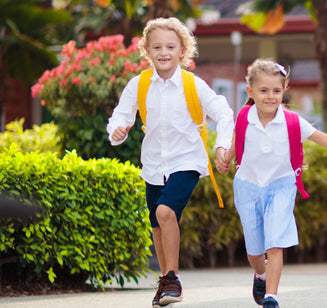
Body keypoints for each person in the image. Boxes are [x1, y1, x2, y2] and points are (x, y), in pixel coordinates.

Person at [216, 58, 327, 308]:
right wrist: (225, 158)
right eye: (264, 91)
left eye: (276, 91)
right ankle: (260, 273)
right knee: (255, 252)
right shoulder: (245, 116)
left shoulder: (292, 121)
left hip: (281, 186)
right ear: (251, 92)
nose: (270, 96)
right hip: (247, 187)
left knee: (275, 243)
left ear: (284, 91)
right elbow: (238, 144)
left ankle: (271, 296)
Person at [106, 17, 234, 308]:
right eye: (157, 47)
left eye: (171, 46)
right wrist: (118, 130)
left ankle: (173, 278)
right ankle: (165, 281)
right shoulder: (139, 84)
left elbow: (224, 113)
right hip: (153, 165)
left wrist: (222, 146)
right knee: (157, 225)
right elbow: (121, 115)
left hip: (187, 161)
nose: (164, 52)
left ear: (182, 51)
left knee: (165, 212)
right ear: (147, 51)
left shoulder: (193, 84)